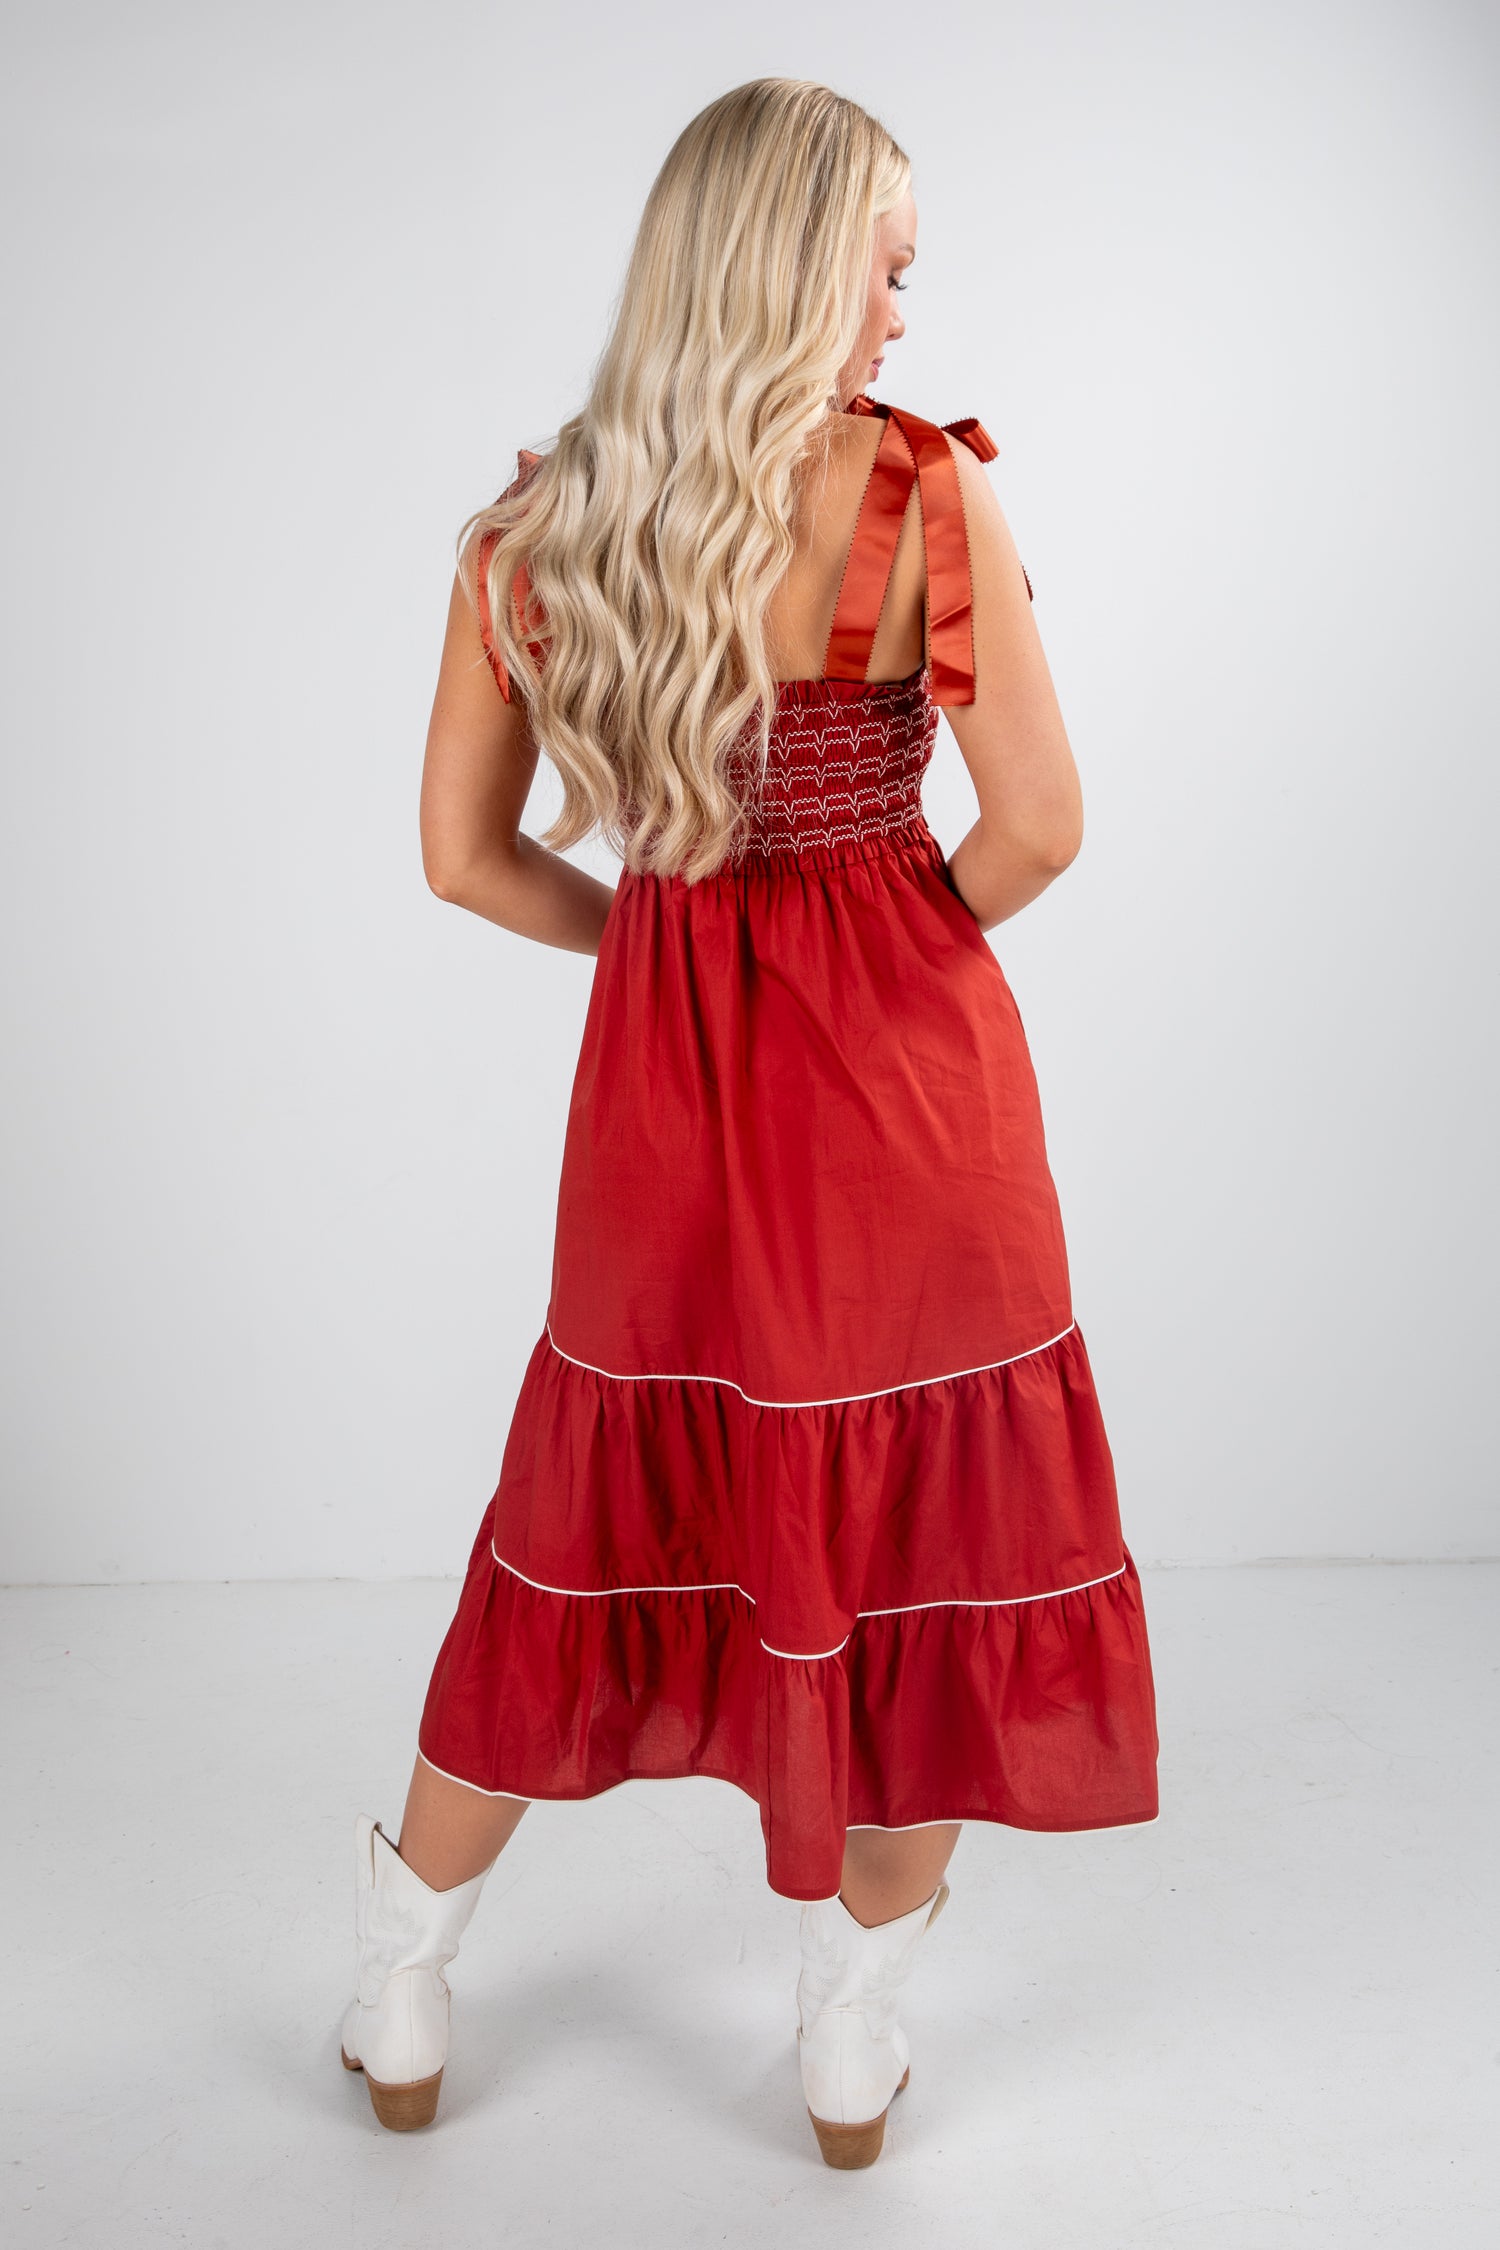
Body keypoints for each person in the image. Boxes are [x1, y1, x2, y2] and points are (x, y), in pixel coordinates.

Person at [338, 76, 1160, 2167]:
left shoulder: (536, 530)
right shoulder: (914, 499)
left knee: (586, 1517)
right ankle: (852, 2039)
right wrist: (885, 947)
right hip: (908, 1114)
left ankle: (406, 1970)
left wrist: (656, 935)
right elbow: (1042, 831)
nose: (903, 306)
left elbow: (459, 859)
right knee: (935, 1541)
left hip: (661, 1110)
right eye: (887, 261)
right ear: (798, 265)